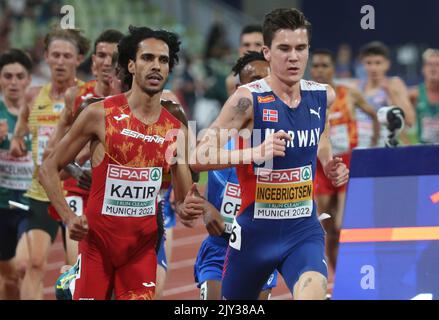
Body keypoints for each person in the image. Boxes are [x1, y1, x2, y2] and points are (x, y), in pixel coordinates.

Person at [190, 8, 349, 300]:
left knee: (314, 293)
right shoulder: (246, 99)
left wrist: (327, 162)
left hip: (303, 230)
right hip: (254, 236)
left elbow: (322, 134)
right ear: (267, 51)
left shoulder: (322, 95)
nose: (293, 57)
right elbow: (197, 156)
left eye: (301, 48)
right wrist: (252, 152)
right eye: (284, 48)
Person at [39, 26, 202, 300]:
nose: (155, 66)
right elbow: (48, 167)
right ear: (131, 64)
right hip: (96, 246)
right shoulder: (99, 113)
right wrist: (68, 217)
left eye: (163, 60)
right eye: (147, 58)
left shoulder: (176, 130)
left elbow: (184, 200)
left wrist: (188, 206)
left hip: (141, 248)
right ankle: (73, 277)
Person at [10, 27, 90, 300]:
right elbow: (20, 129)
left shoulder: (87, 98)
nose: (60, 61)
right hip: (40, 193)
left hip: (73, 194)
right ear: (45, 57)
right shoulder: (33, 96)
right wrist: (17, 142)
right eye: (54, 55)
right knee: (28, 265)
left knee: (76, 271)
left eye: (67, 56)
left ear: (78, 59)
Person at [194, 51, 277, 300]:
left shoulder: (282, 136)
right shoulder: (217, 136)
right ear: (240, 89)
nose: (262, 88)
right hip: (220, 247)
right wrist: (204, 206)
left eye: (267, 81)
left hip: (260, 249)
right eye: (254, 82)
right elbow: (187, 166)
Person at [45, 29, 124, 267]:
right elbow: (52, 155)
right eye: (101, 54)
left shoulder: (133, 101)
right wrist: (77, 168)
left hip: (115, 193)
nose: (107, 62)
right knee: (78, 262)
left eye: (114, 56)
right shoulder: (76, 96)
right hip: (77, 191)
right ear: (93, 62)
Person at [310, 49, 379, 283]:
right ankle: (339, 278)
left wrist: (369, 146)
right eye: (316, 65)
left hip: (346, 164)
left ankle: (355, 275)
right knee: (327, 228)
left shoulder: (348, 94)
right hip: (321, 168)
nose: (320, 70)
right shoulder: (308, 97)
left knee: (342, 224)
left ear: (333, 69)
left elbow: (373, 115)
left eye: (324, 65)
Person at [0, 49, 33, 300]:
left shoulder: (40, 114)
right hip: (1, 207)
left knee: (25, 267)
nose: (13, 82)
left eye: (19, 76)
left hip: (30, 205)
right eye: (7, 76)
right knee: (9, 277)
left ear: (28, 80)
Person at [355, 41, 414, 148]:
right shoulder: (356, 87)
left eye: (378, 63)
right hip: (362, 146)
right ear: (363, 64)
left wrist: (390, 93)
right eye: (369, 63)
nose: (373, 68)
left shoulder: (394, 84)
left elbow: (409, 120)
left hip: (385, 145)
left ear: (387, 64)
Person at [409, 48, 439, 144]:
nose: (433, 68)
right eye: (429, 64)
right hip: (422, 152)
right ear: (423, 69)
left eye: (437, 65)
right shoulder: (413, 94)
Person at [225, 25, 264, 96]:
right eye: (246, 45)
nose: (252, 49)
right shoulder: (232, 82)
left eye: (257, 44)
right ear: (239, 50)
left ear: (266, 49)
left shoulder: (278, 77)